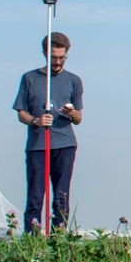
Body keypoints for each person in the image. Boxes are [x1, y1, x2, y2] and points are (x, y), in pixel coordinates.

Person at [12, 31, 84, 232]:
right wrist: (36, 120)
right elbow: (21, 113)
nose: (58, 62)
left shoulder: (74, 81)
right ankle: (32, 241)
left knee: (61, 196)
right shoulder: (29, 79)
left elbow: (79, 119)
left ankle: (58, 239)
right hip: (38, 145)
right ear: (45, 54)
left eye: (62, 58)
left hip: (65, 144)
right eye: (54, 58)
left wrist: (72, 113)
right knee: (35, 196)